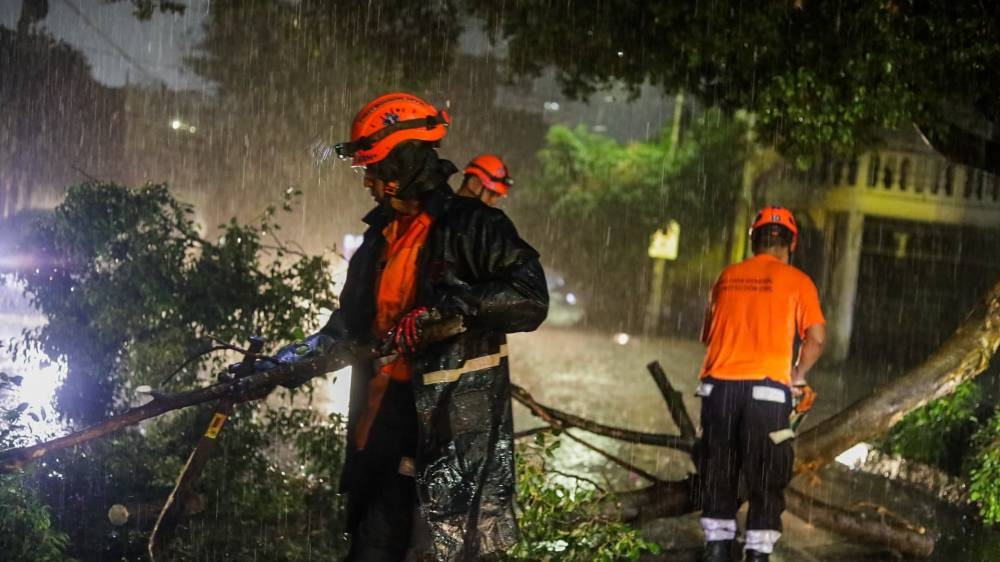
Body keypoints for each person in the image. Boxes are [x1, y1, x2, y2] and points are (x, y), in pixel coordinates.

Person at [313, 92, 548, 561]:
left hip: (448, 440)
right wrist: (279, 365)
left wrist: (449, 310)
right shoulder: (379, 235)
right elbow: (346, 328)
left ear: (404, 166)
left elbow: (531, 299)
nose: (367, 182)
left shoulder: (476, 228)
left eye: (373, 169)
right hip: (380, 430)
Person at [696, 206, 826, 562]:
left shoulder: (727, 276)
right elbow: (815, 338)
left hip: (719, 389)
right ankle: (757, 551)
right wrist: (796, 378)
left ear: (753, 239)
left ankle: (718, 545)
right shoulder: (799, 281)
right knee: (768, 470)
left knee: (718, 466)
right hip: (768, 393)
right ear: (791, 243)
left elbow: (707, 335)